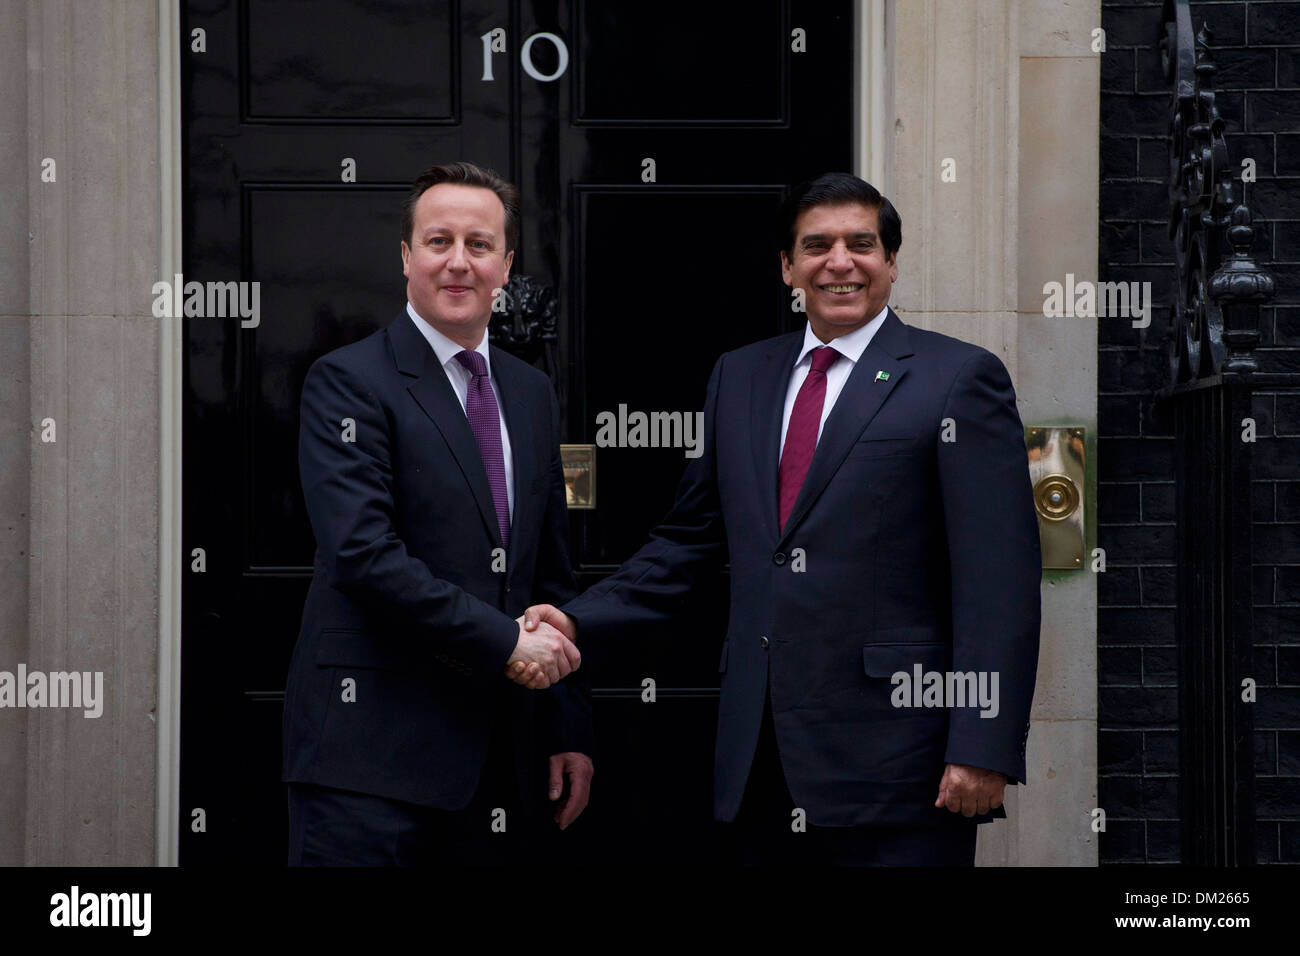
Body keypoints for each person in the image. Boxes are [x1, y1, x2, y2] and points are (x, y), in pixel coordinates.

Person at [523, 172, 1041, 866]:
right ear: (787, 266)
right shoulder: (741, 377)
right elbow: (688, 540)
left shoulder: (957, 378)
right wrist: (579, 618)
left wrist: (983, 745)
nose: (839, 262)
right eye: (816, 245)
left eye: (861, 244)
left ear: (891, 261)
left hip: (901, 766)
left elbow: (998, 580)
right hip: (759, 757)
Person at [283, 161, 593, 866]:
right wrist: (506, 643)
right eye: (438, 241)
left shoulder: (532, 393)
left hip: (502, 764)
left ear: (506, 265)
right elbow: (363, 555)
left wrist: (568, 727)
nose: (458, 263)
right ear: (405, 257)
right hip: (368, 764)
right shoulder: (349, 382)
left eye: (479, 245)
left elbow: (552, 569)